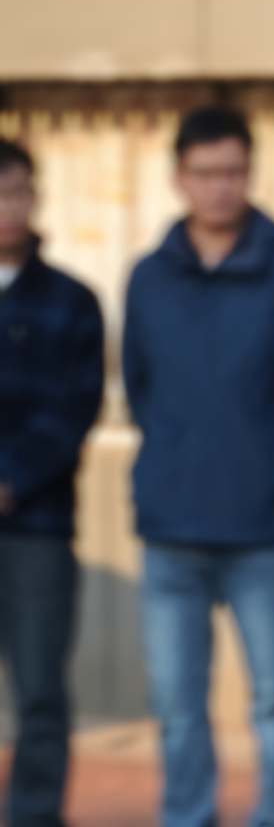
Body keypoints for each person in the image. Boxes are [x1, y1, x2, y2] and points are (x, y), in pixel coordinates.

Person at [122, 106, 274, 827]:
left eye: (232, 171)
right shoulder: (147, 278)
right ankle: (188, 815)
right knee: (177, 704)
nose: (219, 186)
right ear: (179, 177)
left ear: (250, 173)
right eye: (204, 173)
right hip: (169, 529)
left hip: (259, 529)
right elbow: (138, 383)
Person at [0, 139, 104, 827]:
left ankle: (34, 815)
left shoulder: (71, 300)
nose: (7, 207)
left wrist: (10, 478)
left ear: (35, 197)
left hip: (36, 524)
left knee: (39, 689)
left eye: (17, 191)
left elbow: (74, 406)